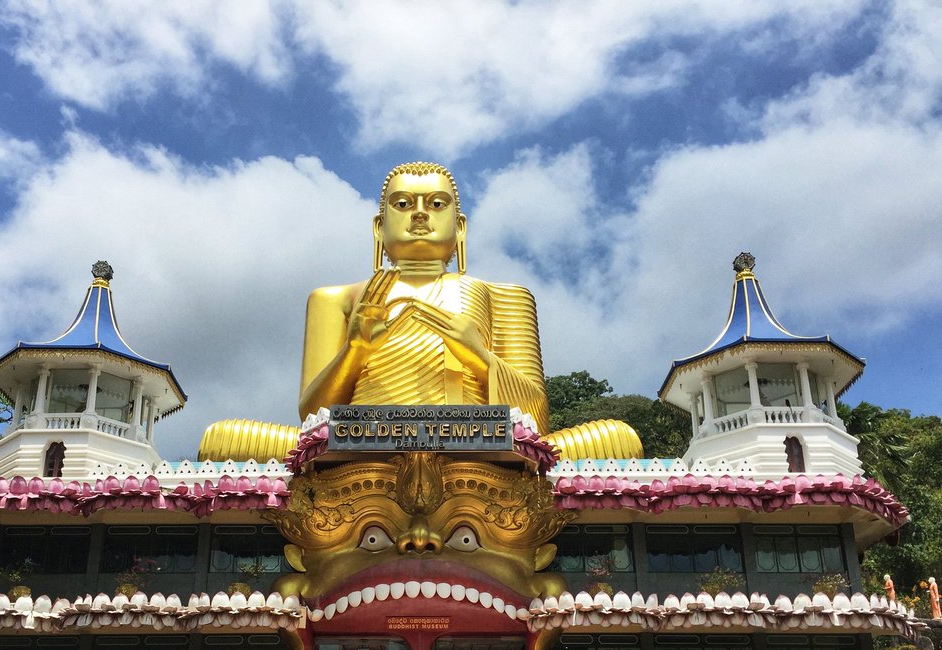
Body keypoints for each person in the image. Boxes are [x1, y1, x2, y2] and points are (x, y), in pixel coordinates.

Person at [197, 161, 641, 462]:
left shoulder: (502, 295)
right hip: (363, 437)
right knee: (222, 439)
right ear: (379, 225)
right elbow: (313, 417)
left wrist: (477, 355)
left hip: (473, 436)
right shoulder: (337, 298)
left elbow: (535, 419)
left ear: (460, 227)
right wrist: (354, 349)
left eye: (436, 204)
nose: (420, 215)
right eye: (404, 204)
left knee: (618, 440)